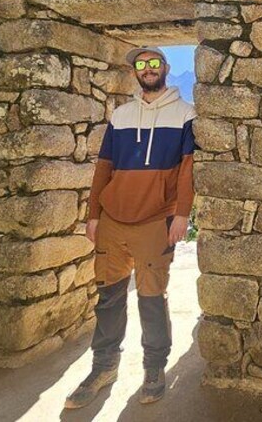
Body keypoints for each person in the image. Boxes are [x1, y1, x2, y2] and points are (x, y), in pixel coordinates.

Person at [65, 46, 196, 408]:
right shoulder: (120, 116)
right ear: (135, 71)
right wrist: (94, 214)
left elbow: (187, 170)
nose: (148, 69)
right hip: (112, 222)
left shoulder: (186, 115)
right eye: (142, 64)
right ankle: (103, 367)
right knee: (109, 298)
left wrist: (182, 213)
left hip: (155, 221)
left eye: (154, 63)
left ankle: (154, 370)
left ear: (165, 68)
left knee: (152, 300)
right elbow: (103, 168)